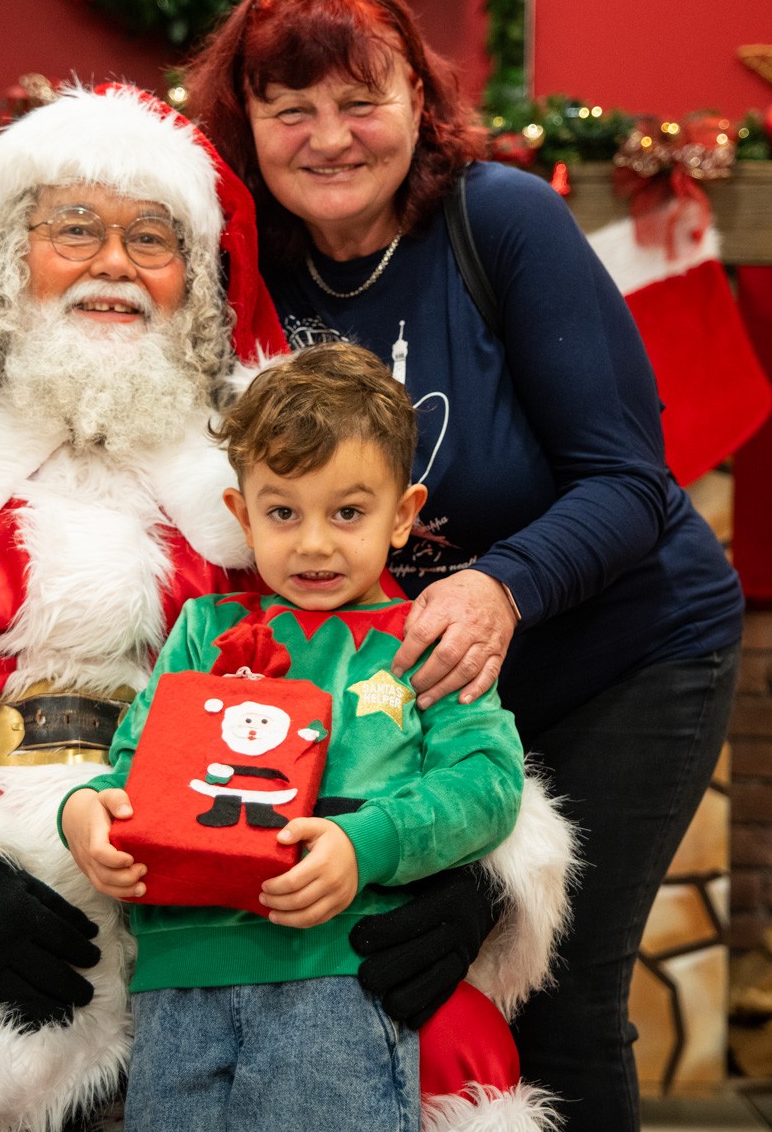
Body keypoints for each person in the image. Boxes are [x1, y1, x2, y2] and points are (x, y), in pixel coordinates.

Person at [0, 0, 745, 1131]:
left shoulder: (503, 219)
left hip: (616, 652)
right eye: (292, 109)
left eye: (362, 101)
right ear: (248, 124)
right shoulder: (240, 242)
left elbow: (630, 481)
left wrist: (500, 586)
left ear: (420, 101)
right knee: (439, 996)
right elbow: (84, 266)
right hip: (398, 674)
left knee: (561, 1000)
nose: (331, 137)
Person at [0, 86, 574, 1132]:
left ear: (196, 279)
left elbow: (376, 666)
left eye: (153, 238)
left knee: (455, 1051)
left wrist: (474, 870)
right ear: (9, 254)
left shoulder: (265, 487)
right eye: (74, 229)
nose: (114, 263)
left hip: (222, 875)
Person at [62, 343, 535, 1131]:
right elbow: (134, 767)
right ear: (242, 513)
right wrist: (85, 812)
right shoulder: (203, 630)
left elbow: (487, 780)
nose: (314, 543)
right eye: (283, 512)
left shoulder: (423, 640)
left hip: (337, 975)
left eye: (347, 512)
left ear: (403, 516)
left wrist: (366, 844)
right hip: (178, 980)